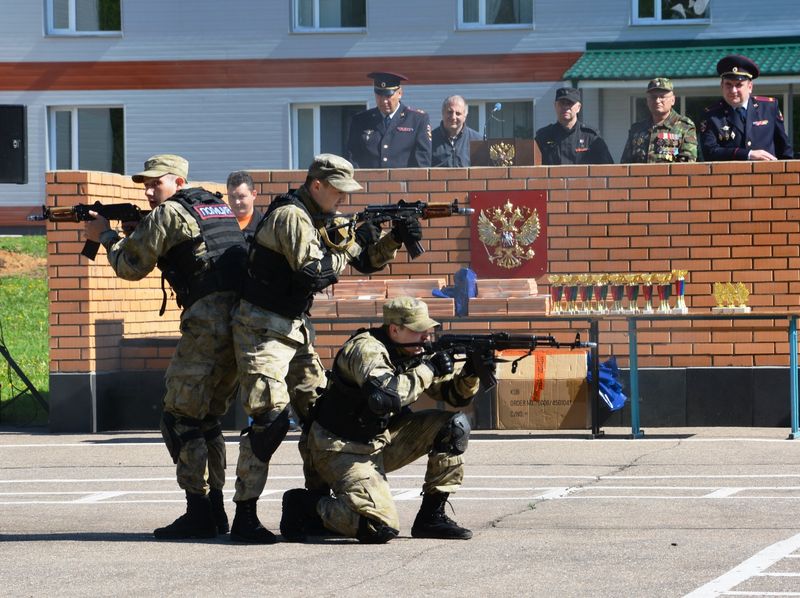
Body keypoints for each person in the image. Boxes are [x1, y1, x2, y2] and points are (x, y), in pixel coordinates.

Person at [229, 153, 421, 544]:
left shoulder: (321, 216)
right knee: (270, 422)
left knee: (321, 414)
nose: (343, 200)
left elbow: (365, 261)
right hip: (261, 330)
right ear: (317, 185)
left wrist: (392, 239)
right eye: (338, 191)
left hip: (294, 330)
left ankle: (310, 505)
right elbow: (315, 272)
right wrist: (353, 244)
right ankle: (244, 516)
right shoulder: (292, 217)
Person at [84, 154, 247, 540]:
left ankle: (199, 512)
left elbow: (129, 266)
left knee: (178, 418)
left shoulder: (168, 213)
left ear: (177, 181)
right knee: (207, 419)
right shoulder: (214, 205)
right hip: (238, 325)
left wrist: (105, 236)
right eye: (146, 183)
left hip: (207, 327)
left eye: (156, 183)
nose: (148, 190)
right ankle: (216, 510)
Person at [279, 296, 482, 544]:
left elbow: (454, 396)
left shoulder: (413, 350)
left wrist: (472, 373)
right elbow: (386, 397)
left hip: (379, 440)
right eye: (419, 331)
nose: (426, 337)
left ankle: (431, 517)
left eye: (428, 330)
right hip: (340, 447)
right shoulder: (366, 349)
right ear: (395, 329)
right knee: (378, 526)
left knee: (453, 426)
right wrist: (430, 369)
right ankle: (304, 505)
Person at [699, 54, 793, 161]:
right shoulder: (711, 115)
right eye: (728, 84)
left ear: (750, 87)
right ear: (722, 86)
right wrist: (747, 154)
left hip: (767, 175)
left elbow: (785, 150)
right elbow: (710, 152)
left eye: (739, 85)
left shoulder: (769, 108)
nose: (733, 90)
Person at [345, 72, 432, 168]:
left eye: (388, 96)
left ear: (400, 93)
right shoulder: (360, 120)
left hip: (403, 181)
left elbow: (422, 163)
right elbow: (352, 159)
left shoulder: (417, 120)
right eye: (379, 95)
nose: (384, 101)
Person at [620, 78, 697, 163]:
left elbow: (688, 164)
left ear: (673, 100)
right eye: (653, 97)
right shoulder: (637, 129)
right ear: (647, 101)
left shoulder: (684, 127)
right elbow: (625, 165)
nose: (657, 101)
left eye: (662, 97)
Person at [535, 87, 614, 165]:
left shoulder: (590, 137)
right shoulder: (543, 136)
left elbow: (608, 168)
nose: (565, 107)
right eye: (562, 103)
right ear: (555, 105)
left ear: (578, 107)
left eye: (570, 103)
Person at [431, 95, 483, 167]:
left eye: (458, 113)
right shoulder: (430, 140)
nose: (453, 117)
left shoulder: (478, 140)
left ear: (465, 116)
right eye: (449, 112)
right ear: (442, 113)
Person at [226, 170, 263, 243]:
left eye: (241, 196)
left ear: (254, 195)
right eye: (232, 197)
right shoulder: (221, 224)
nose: (237, 202)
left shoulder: (265, 225)